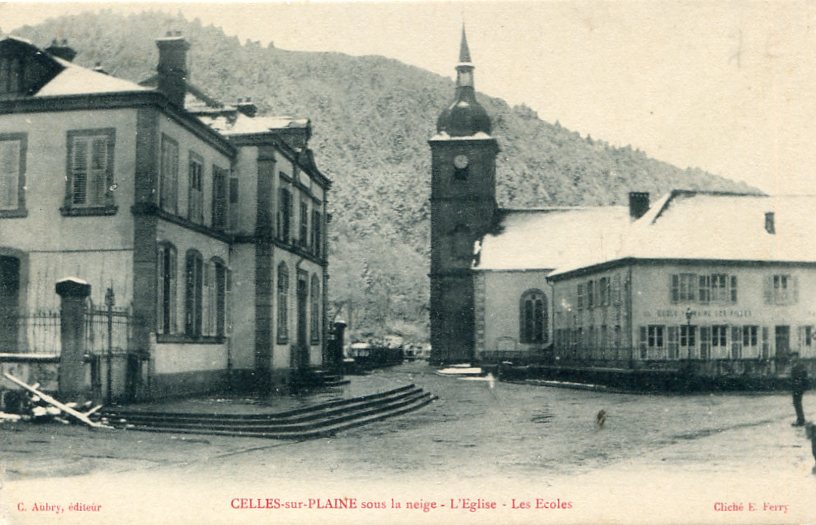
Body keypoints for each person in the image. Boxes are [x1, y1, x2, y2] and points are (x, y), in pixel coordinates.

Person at [790, 352, 809, 427]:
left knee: (797, 403)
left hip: (798, 388)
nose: (792, 358)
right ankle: (800, 419)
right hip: (796, 387)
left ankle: (800, 420)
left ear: (796, 357)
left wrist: (800, 386)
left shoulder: (799, 365)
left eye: (793, 356)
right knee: (796, 403)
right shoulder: (797, 365)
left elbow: (802, 376)